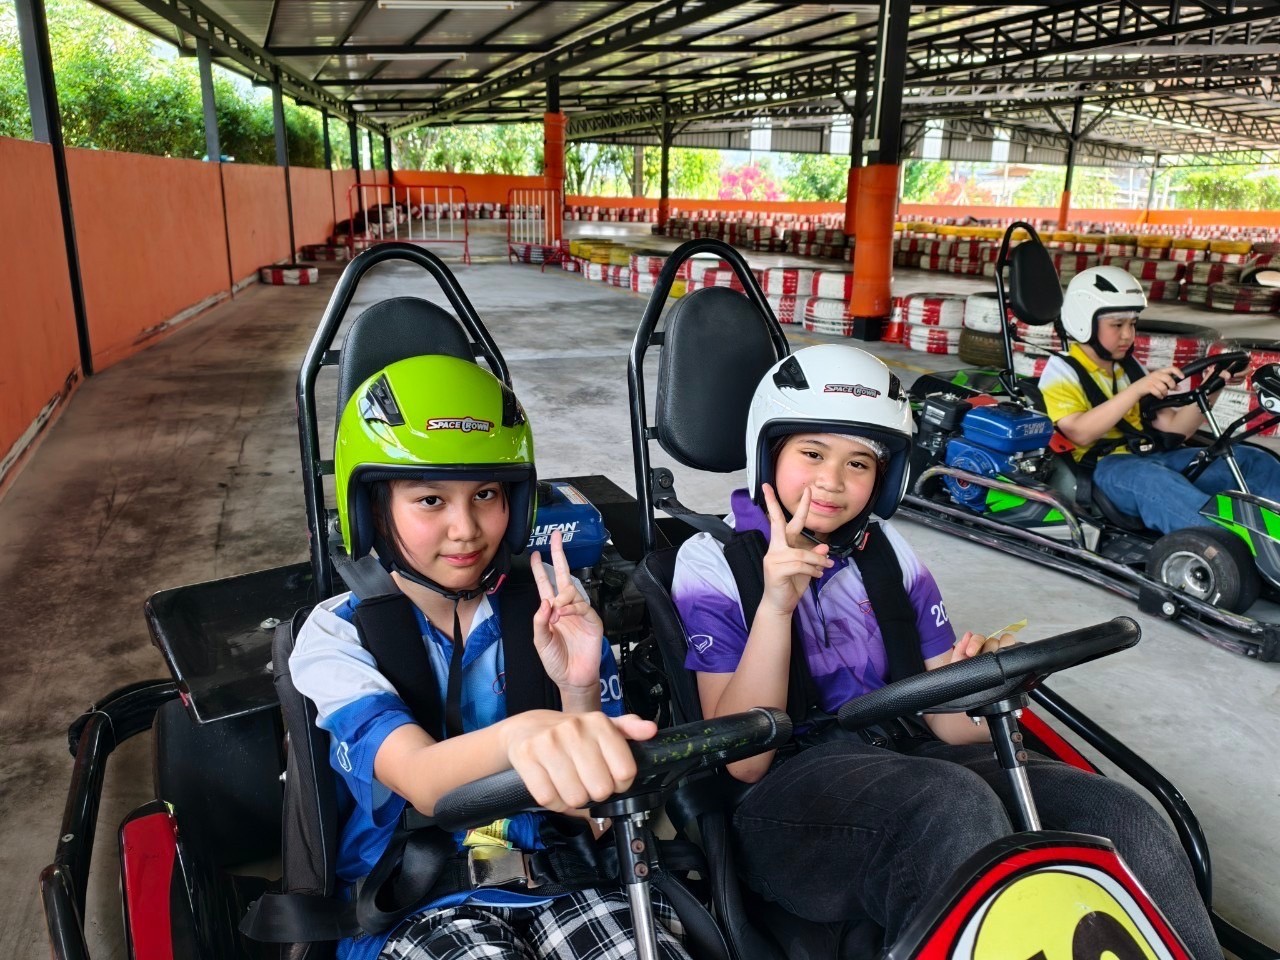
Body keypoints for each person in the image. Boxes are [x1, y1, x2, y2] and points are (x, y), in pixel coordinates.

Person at [671, 344, 1219, 957]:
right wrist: (776, 607)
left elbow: (948, 725)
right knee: (949, 807)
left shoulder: (888, 552)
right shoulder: (713, 562)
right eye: (813, 453)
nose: (832, 481)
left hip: (913, 754)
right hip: (788, 790)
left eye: (859, 462)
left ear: (885, 477)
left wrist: (983, 685)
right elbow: (744, 764)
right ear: (768, 451)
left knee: (1113, 810)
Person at [290, 354, 689, 960]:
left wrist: (578, 690)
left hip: (564, 878)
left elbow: (595, 817)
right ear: (372, 509)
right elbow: (422, 781)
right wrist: (529, 731)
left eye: (485, 494)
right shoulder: (337, 635)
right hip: (417, 899)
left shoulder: (554, 610)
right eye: (430, 500)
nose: (466, 528)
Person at [1040, 265, 1280, 535]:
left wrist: (1214, 384)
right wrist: (1136, 391)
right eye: (1117, 325)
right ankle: (1239, 546)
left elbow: (1175, 430)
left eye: (1132, 324)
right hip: (1105, 468)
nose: (1128, 335)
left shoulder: (1129, 367)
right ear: (1084, 322)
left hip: (1151, 454)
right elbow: (1079, 432)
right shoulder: (1062, 370)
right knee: (1156, 482)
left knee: (1254, 461)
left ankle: (1275, 532)